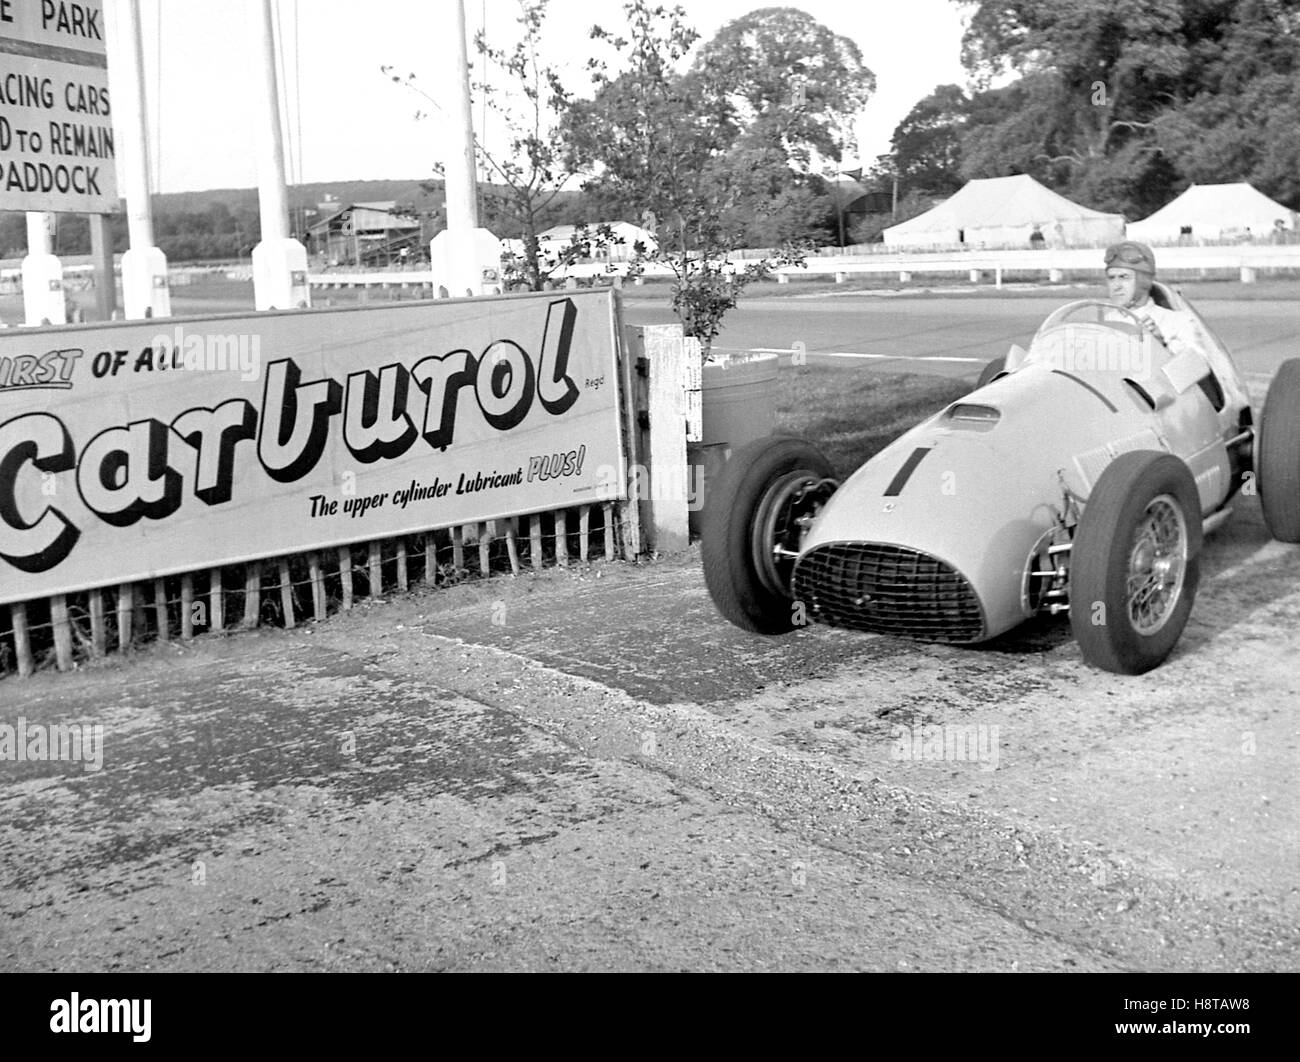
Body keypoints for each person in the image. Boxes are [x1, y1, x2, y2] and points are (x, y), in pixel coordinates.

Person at [1103, 240, 1201, 357]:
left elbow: (1196, 370)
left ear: (1144, 280)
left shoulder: (1179, 323)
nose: (1116, 286)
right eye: (1111, 278)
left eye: (1124, 277)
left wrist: (1160, 347)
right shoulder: (1103, 322)